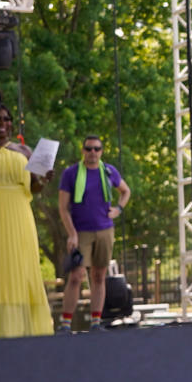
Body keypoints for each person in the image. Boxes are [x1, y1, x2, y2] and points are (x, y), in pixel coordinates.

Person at [0, 91, 54, 338]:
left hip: (19, 216)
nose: (3, 124)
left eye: (7, 119)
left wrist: (43, 180)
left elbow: (34, 187)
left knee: (23, 269)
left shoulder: (24, 150)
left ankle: (27, 334)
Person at [57, 135, 131, 333]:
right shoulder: (71, 173)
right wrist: (71, 233)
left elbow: (125, 191)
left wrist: (118, 210)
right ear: (83, 151)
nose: (92, 153)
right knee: (76, 275)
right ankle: (65, 324)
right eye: (89, 149)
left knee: (99, 276)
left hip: (105, 229)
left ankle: (96, 322)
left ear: (101, 151)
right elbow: (63, 208)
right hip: (81, 232)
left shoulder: (108, 171)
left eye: (96, 149)